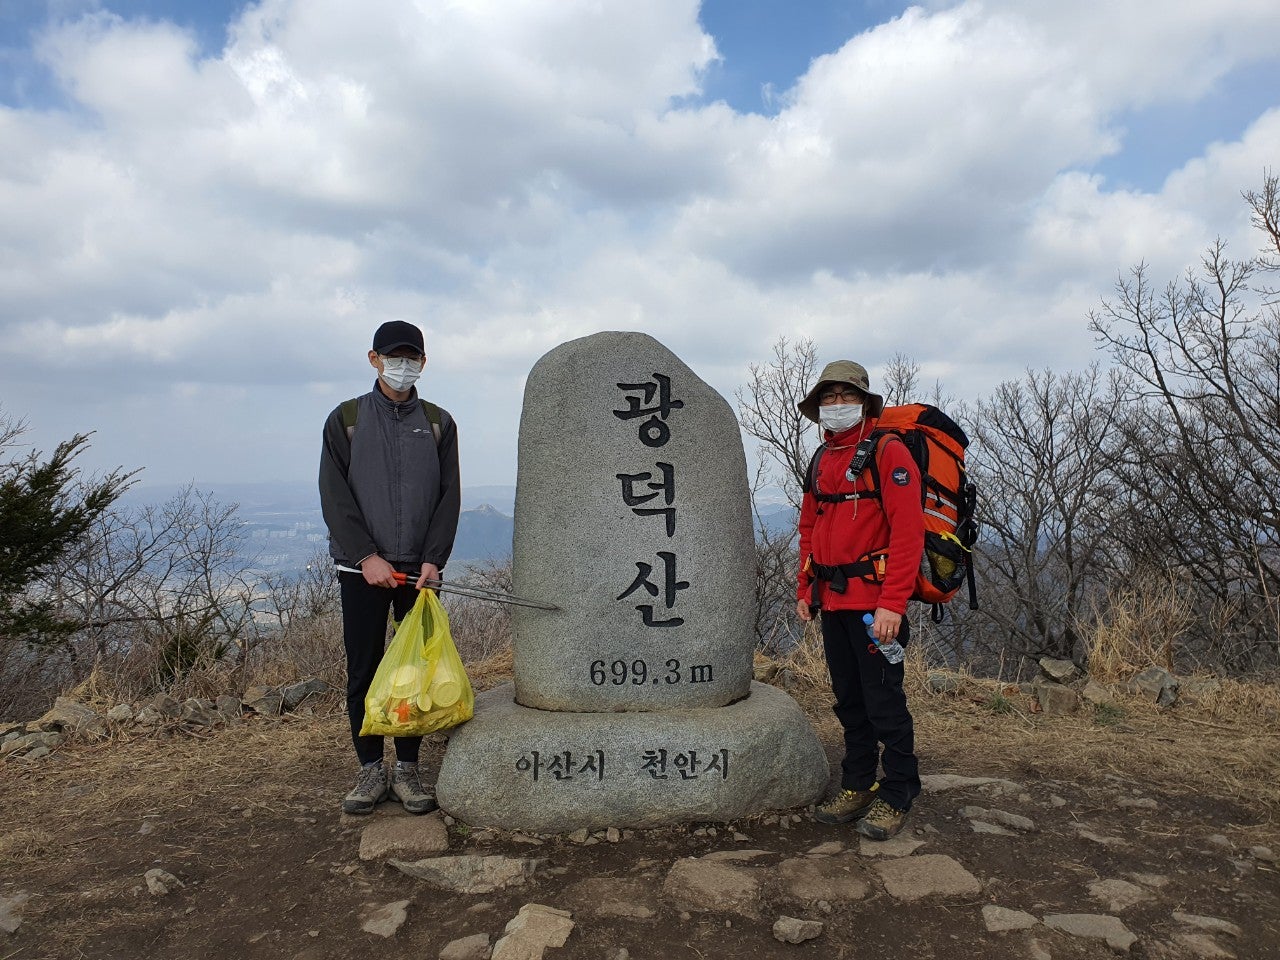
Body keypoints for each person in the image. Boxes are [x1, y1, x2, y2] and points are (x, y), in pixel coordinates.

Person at [319, 320, 461, 815]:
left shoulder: (439, 422)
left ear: (423, 362)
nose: (403, 366)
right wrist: (365, 555)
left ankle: (407, 769)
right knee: (364, 667)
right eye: (393, 357)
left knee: (414, 672)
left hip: (419, 570)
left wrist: (434, 559)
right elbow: (334, 493)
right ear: (374, 359)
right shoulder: (347, 418)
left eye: (411, 358)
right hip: (361, 569)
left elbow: (448, 495)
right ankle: (369, 768)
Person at [795, 360, 924, 840]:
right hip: (833, 601)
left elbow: (908, 532)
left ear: (864, 402)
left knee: (883, 701)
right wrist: (805, 587)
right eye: (828, 397)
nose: (836, 404)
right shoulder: (822, 458)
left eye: (845, 395)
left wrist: (894, 603)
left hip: (876, 607)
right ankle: (859, 784)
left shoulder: (889, 452)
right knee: (850, 701)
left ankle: (899, 791)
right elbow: (809, 527)